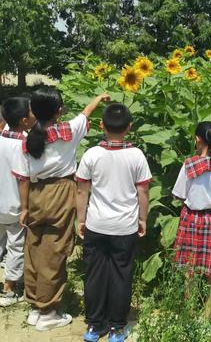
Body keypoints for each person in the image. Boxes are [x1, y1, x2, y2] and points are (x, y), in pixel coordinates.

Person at [12, 88, 110, 332]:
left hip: (35, 193)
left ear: (33, 111)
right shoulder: (68, 131)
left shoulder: (28, 139)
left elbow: (23, 178)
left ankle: (35, 304)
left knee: (34, 246)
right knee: (55, 250)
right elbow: (85, 115)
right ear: (59, 111)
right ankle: (48, 311)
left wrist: (24, 207)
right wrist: (98, 98)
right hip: (61, 191)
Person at [76, 103, 152, 342]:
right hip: (124, 226)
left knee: (95, 274)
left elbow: (81, 191)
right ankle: (117, 328)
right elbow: (143, 191)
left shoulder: (91, 154)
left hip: (97, 224)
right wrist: (142, 218)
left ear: (101, 126)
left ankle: (94, 326)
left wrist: (81, 219)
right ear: (129, 127)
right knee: (121, 274)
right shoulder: (136, 155)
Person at [172, 122, 211, 320]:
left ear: (198, 139)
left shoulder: (189, 164)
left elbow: (179, 194)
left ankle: (189, 312)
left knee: (190, 267)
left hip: (191, 217)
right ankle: (207, 316)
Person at [0, 98, 35, 307]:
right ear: (24, 120)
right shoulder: (23, 144)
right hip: (14, 206)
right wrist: (25, 207)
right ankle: (9, 289)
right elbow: (23, 179)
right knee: (15, 246)